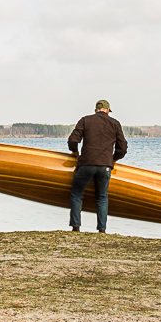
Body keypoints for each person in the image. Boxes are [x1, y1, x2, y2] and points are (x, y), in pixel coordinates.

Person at [67, 99, 127, 233]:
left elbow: (73, 140)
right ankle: (102, 230)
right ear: (107, 110)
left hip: (86, 163)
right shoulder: (115, 123)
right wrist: (113, 159)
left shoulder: (85, 120)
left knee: (77, 193)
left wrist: (75, 152)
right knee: (101, 197)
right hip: (105, 165)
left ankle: (76, 227)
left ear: (96, 110)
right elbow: (122, 148)